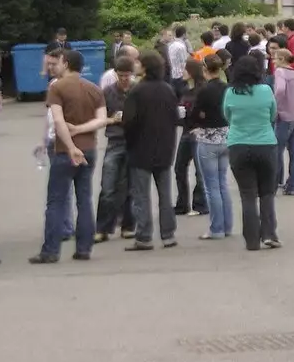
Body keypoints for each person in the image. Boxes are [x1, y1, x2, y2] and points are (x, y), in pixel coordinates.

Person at [30, 48, 108, 264]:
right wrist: (82, 129)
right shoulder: (94, 89)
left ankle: (51, 251)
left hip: (64, 151)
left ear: (66, 63)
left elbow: (57, 120)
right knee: (84, 200)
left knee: (56, 201)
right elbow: (102, 120)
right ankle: (84, 249)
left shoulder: (57, 88)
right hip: (90, 149)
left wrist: (70, 144)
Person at [122, 51, 182, 251]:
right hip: (164, 147)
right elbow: (174, 118)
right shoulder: (168, 89)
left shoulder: (137, 91)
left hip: (140, 148)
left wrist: (129, 143)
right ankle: (168, 234)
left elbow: (128, 122)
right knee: (165, 194)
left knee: (141, 195)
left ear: (145, 67)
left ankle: (144, 235)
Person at [225, 54, 281, 250]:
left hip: (238, 144)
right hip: (265, 143)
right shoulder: (266, 90)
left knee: (247, 194)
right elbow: (273, 114)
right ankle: (269, 234)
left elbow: (228, 116)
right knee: (266, 192)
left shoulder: (231, 92)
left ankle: (251, 240)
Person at [189, 54, 233, 241]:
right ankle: (227, 225)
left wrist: (198, 123)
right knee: (223, 183)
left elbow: (195, 114)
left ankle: (216, 228)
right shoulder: (227, 88)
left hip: (208, 138)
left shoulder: (204, 91)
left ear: (204, 69)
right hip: (226, 136)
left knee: (211, 186)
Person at [95, 57, 136, 243]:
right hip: (115, 139)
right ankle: (103, 228)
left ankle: (128, 226)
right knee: (108, 186)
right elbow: (101, 116)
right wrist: (112, 119)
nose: (124, 79)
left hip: (133, 140)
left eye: (127, 76)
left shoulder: (137, 91)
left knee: (130, 187)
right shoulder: (108, 92)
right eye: (121, 76)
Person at [173, 59, 209, 218]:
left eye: (185, 70)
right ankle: (182, 203)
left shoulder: (202, 90)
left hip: (198, 131)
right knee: (179, 167)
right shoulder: (185, 89)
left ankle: (200, 203)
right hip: (186, 130)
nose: (183, 73)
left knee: (200, 170)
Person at [272, 48, 294, 195]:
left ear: (281, 59)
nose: (273, 61)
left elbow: (280, 90)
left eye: (275, 58)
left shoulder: (280, 72)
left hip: (285, 115)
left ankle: (273, 183)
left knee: (276, 151)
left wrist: (275, 106)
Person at [166, 24, 190, 91]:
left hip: (173, 74)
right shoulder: (181, 46)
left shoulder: (171, 45)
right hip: (180, 76)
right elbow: (184, 62)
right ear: (184, 34)